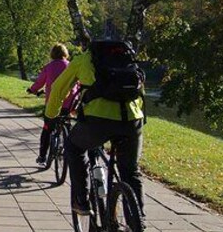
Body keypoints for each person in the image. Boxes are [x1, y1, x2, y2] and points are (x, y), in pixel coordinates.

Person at [46, 40, 145, 215]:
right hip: (132, 120)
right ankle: (137, 224)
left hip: (98, 121)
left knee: (73, 147)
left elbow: (58, 88)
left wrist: (51, 115)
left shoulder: (84, 59)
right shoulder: (127, 59)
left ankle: (81, 201)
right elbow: (139, 90)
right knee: (131, 172)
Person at [27, 43, 81, 168]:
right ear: (65, 53)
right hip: (69, 103)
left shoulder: (49, 67)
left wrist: (32, 89)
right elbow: (78, 83)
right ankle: (67, 152)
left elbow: (40, 82)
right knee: (66, 126)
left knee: (47, 129)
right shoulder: (71, 66)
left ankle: (42, 156)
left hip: (53, 103)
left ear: (52, 54)